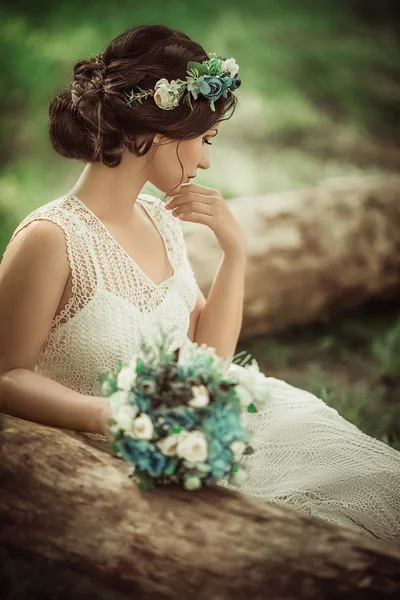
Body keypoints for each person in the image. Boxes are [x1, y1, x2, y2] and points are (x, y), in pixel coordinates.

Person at [0, 24, 399, 543]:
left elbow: (210, 360)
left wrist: (235, 251)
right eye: (205, 139)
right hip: (130, 457)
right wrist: (117, 415)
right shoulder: (50, 237)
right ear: (161, 131)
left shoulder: (161, 221)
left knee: (362, 480)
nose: (207, 160)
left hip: (211, 423)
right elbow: (7, 373)